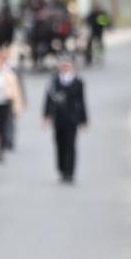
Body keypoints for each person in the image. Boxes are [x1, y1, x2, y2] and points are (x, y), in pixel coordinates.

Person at [43, 55, 89, 183]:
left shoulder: (78, 82)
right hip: (58, 117)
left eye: (68, 65)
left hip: (72, 118)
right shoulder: (54, 81)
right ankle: (62, 169)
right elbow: (48, 100)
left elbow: (82, 101)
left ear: (73, 67)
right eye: (63, 66)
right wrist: (46, 116)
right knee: (59, 144)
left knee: (71, 145)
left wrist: (84, 119)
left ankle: (70, 171)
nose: (65, 68)